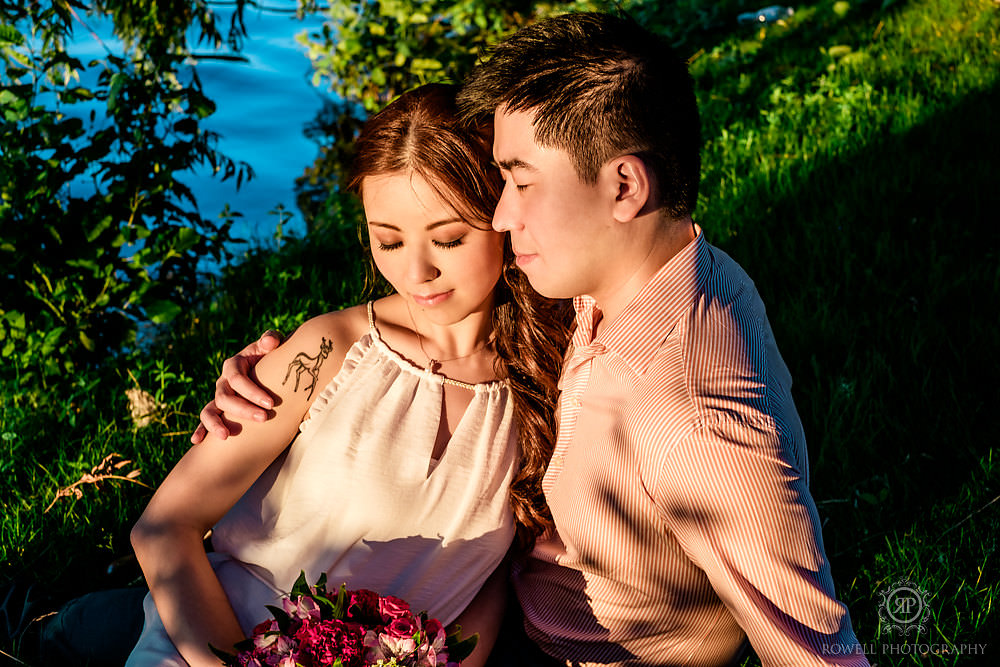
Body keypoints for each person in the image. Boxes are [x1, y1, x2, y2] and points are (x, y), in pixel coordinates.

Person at [198, 12, 869, 667]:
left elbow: (815, 651)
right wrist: (289, 373)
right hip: (480, 602)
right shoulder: (636, 273)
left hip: (561, 652)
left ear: (625, 186)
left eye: (519, 182)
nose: (500, 213)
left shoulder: (695, 423)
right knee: (118, 617)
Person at [121, 82, 571, 667]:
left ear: (506, 217)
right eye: (388, 240)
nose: (417, 271)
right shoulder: (330, 351)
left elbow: (493, 576)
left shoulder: (546, 374)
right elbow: (163, 528)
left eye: (450, 238)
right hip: (213, 646)